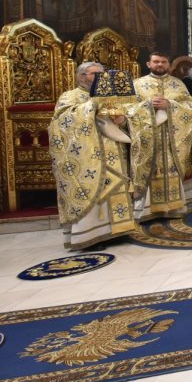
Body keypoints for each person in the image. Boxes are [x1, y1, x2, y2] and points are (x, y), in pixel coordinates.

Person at [49, 63, 153, 250]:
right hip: (87, 159)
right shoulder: (70, 96)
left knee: (117, 187)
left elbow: (128, 118)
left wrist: (123, 120)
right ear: (82, 76)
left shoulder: (111, 96)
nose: (102, 78)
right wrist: (92, 106)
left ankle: (117, 231)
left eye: (103, 74)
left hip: (115, 153)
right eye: (96, 74)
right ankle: (90, 236)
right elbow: (63, 123)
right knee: (92, 192)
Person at [133, 50, 192, 220]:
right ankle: (147, 210)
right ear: (149, 64)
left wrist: (170, 105)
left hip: (172, 140)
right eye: (156, 61)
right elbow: (127, 109)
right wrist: (147, 105)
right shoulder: (137, 85)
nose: (159, 65)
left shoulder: (178, 84)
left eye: (163, 62)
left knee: (172, 170)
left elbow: (190, 106)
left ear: (168, 65)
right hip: (148, 139)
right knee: (148, 169)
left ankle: (173, 208)